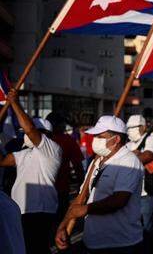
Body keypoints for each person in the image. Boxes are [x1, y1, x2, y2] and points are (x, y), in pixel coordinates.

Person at [55, 115, 144, 253]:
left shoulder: (129, 161)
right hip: (93, 241)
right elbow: (81, 197)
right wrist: (63, 225)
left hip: (119, 244)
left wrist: (85, 210)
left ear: (116, 139)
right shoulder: (97, 161)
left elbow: (119, 200)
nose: (95, 140)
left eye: (100, 137)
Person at [0, 89, 62, 254]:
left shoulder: (51, 149)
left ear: (45, 134)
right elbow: (2, 161)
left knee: (37, 248)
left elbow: (29, 130)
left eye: (33, 131)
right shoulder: (25, 153)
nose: (26, 135)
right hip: (21, 209)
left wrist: (14, 102)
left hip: (40, 211)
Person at [125, 114, 153, 254]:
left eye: (132, 127)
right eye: (128, 128)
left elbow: (148, 156)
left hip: (147, 193)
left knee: (146, 229)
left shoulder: (151, 139)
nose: (130, 130)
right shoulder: (128, 144)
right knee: (135, 228)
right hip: (130, 194)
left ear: (143, 127)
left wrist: (131, 156)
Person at [47, 112, 85, 226]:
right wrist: (81, 186)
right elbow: (78, 166)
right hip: (60, 189)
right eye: (62, 123)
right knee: (59, 221)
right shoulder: (67, 140)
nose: (64, 126)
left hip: (46, 189)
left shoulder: (41, 139)